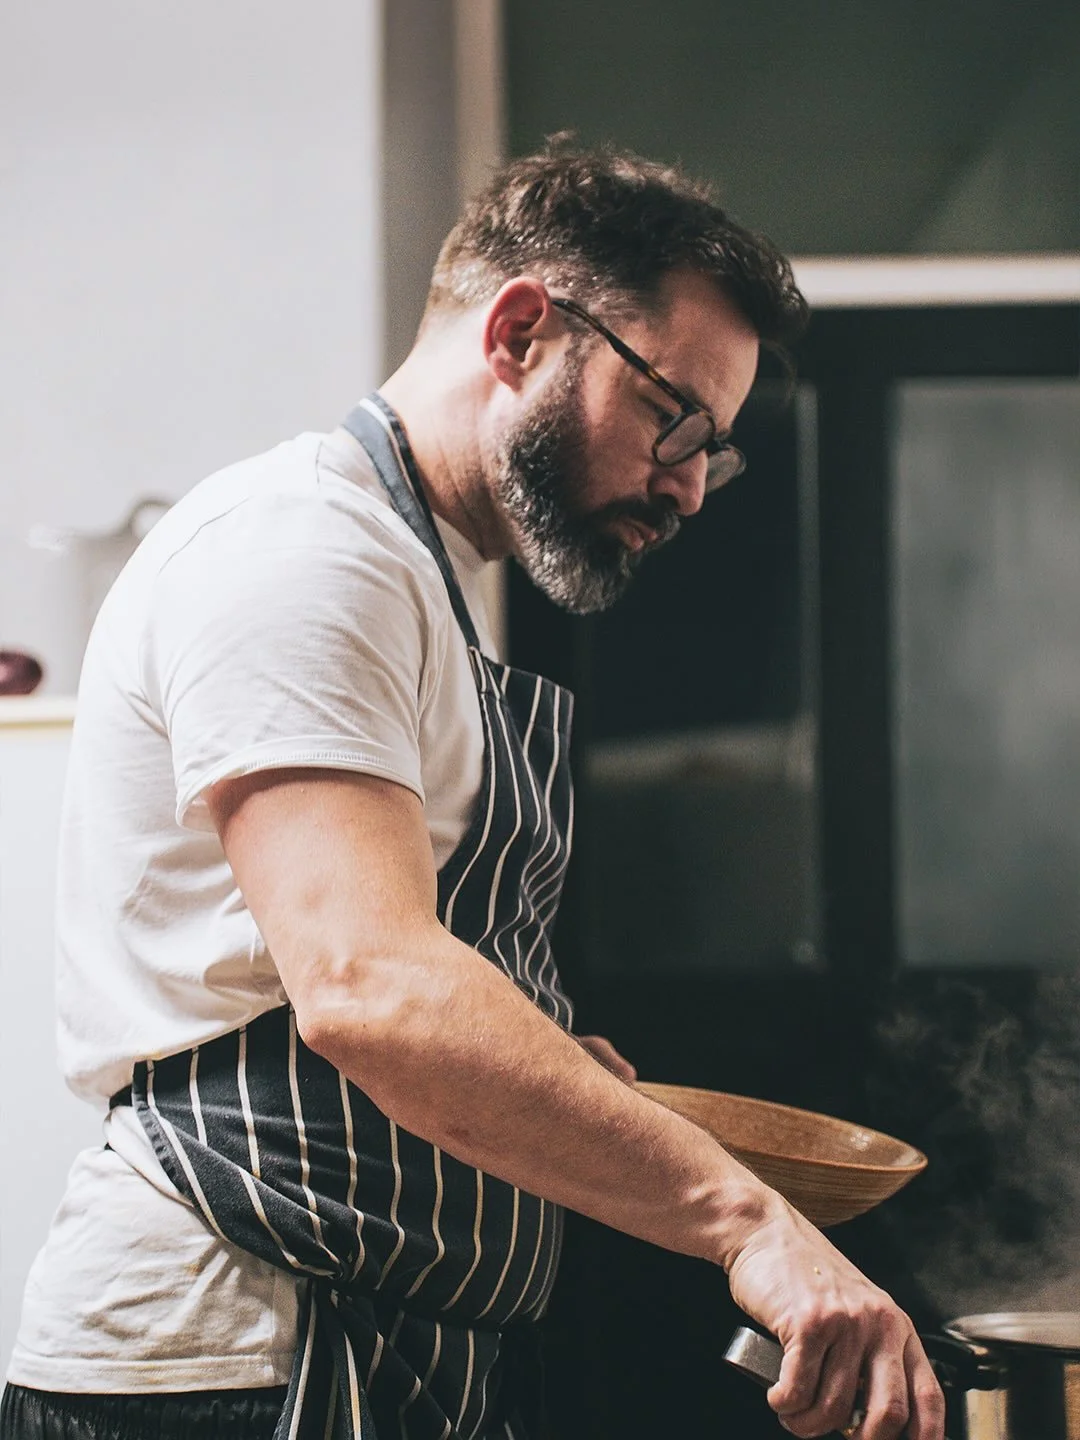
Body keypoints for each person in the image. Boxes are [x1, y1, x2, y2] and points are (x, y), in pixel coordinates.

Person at [2, 142, 945, 1440]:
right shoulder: (304, 551)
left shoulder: (420, 580)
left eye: (714, 454)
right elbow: (369, 986)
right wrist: (748, 1222)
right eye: (676, 420)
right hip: (234, 1350)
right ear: (519, 332)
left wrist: (540, 1059)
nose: (689, 485)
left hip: (374, 1335)